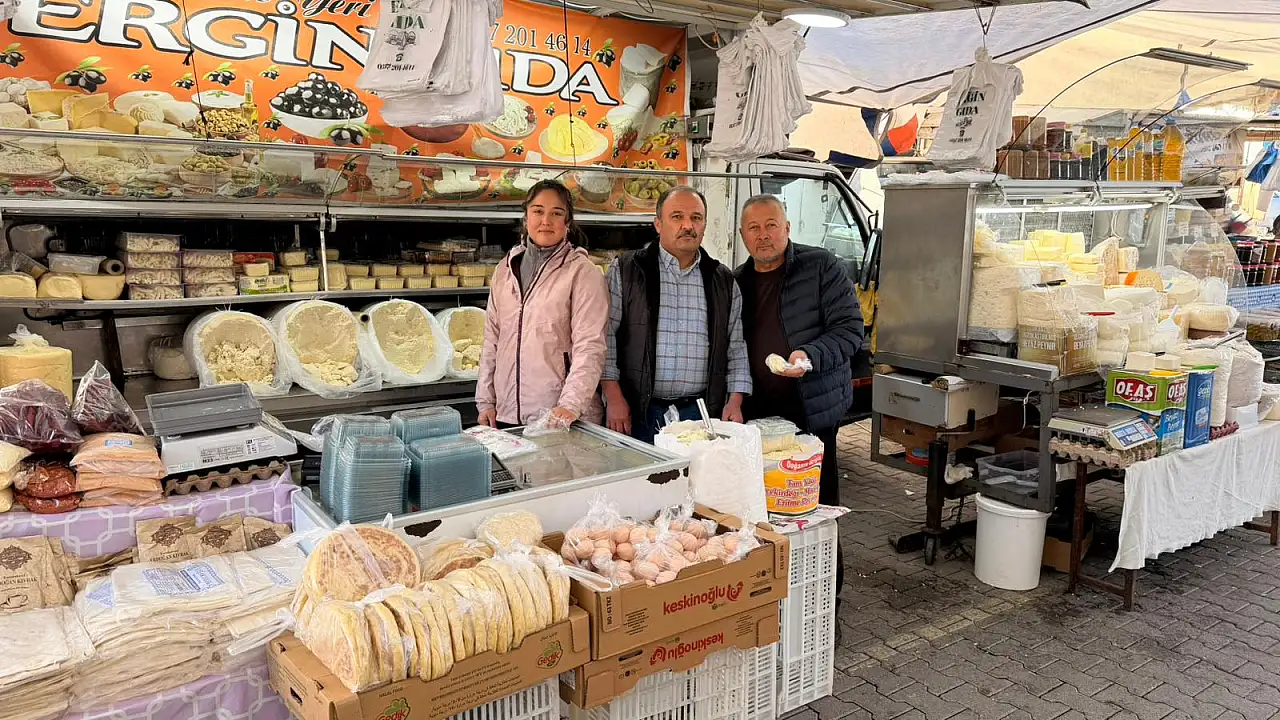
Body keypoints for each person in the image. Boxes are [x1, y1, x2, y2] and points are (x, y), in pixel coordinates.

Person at [735, 193, 864, 506]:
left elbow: (850, 330)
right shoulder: (736, 281)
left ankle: (824, 541)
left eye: (771, 225)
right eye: (753, 228)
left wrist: (807, 356)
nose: (763, 235)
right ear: (742, 235)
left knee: (817, 501)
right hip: (758, 415)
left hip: (812, 409)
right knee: (766, 499)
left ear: (787, 227)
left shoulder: (821, 266)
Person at [601, 185, 752, 443]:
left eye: (696, 217)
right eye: (677, 216)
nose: (687, 225)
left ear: (704, 225)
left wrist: (735, 400)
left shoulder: (723, 280)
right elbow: (605, 337)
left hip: (701, 413)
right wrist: (613, 397)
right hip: (638, 411)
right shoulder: (627, 270)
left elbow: (735, 346)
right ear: (658, 224)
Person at [477, 180, 610, 429]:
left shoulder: (583, 273)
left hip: (561, 418)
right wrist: (485, 401)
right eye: (538, 211)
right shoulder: (505, 270)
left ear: (567, 223)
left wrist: (570, 406)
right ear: (526, 218)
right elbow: (492, 338)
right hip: (506, 414)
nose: (546, 220)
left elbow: (590, 346)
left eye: (556, 213)